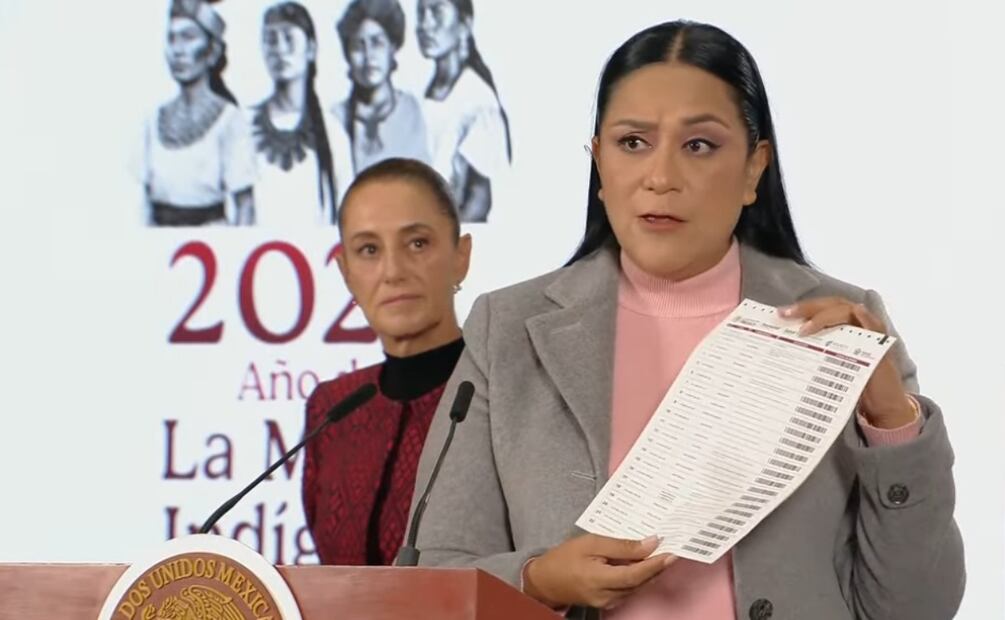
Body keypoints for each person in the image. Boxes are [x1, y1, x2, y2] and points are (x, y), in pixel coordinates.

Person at [409, 20, 965, 619]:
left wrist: (892, 425)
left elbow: (918, 606)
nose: (661, 177)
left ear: (755, 168)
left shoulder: (845, 327)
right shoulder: (508, 329)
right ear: (598, 165)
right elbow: (428, 579)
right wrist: (539, 578)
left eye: (699, 145)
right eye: (632, 143)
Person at [302, 157, 472, 566]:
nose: (393, 271)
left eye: (417, 243)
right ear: (345, 273)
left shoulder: (502, 393)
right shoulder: (332, 408)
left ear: (460, 256)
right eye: (369, 250)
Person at [137, 0, 256, 226]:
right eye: (172, 39)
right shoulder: (153, 121)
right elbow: (143, 203)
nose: (178, 50)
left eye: (188, 37)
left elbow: (245, 206)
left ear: (212, 51)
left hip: (211, 244)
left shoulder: (230, 120)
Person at [250, 2, 352, 227]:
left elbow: (347, 214)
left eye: (289, 38)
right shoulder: (243, 126)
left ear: (311, 49)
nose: (279, 49)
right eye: (271, 40)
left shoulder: (332, 132)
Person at [416, 0, 510, 222]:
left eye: (437, 12)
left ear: (464, 24)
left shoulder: (477, 99)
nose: (426, 24)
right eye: (421, 13)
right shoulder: (421, 93)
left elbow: (479, 200)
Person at [335, 0, 432, 174]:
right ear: (347, 56)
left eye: (377, 43)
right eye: (358, 46)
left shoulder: (412, 110)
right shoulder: (336, 120)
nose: (369, 56)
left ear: (392, 48)